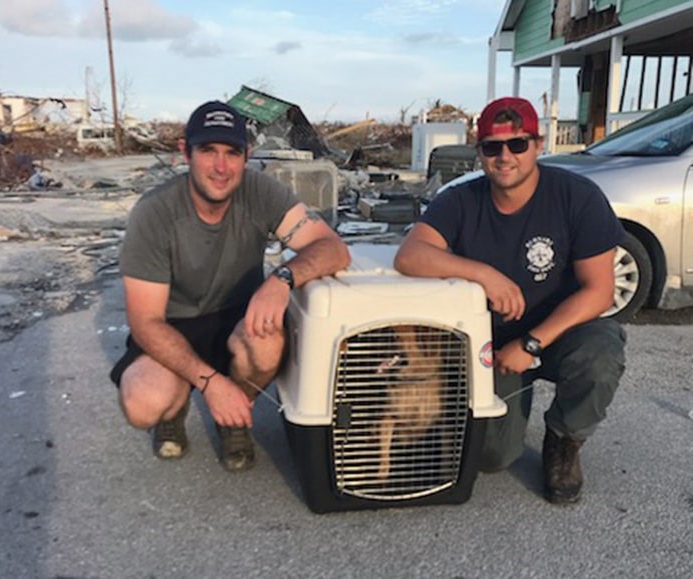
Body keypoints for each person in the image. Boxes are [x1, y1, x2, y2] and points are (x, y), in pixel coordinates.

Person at [394, 97, 626, 504]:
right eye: (492, 147)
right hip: (491, 345)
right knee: (492, 457)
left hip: (559, 333)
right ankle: (497, 414)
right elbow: (410, 256)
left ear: (538, 145)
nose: (505, 157)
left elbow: (599, 291)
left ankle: (564, 441)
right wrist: (483, 274)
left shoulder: (578, 197)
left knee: (601, 352)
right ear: (479, 152)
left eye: (518, 145)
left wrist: (532, 343)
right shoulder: (460, 200)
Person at [110, 101, 350, 472]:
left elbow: (331, 247)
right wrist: (209, 383)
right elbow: (145, 322)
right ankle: (174, 410)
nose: (221, 167)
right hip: (172, 324)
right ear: (185, 152)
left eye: (232, 152)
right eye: (208, 151)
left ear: (246, 155)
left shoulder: (260, 191)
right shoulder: (154, 213)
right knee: (144, 404)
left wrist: (282, 279)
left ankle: (233, 420)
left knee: (269, 341)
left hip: (238, 317)